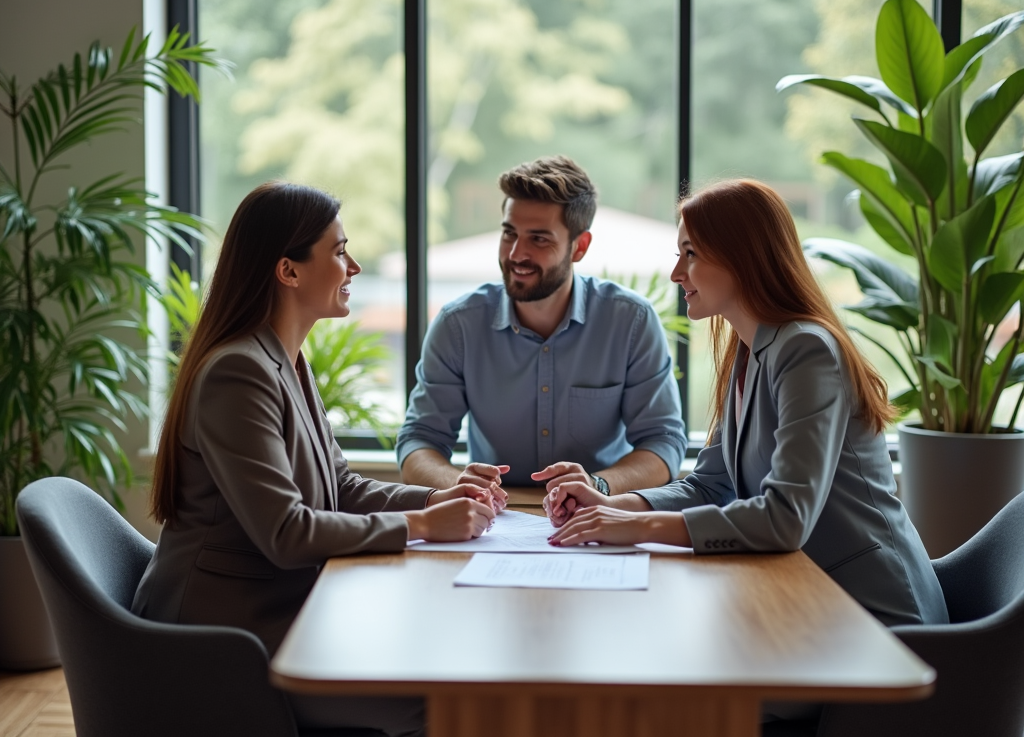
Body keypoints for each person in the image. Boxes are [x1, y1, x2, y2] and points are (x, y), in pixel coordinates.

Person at [133, 182, 495, 737]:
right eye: (338, 251)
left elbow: (340, 485)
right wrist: (423, 524)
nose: (352, 266)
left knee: (442, 666)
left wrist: (439, 497)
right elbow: (286, 531)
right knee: (437, 704)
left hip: (279, 606)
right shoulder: (239, 372)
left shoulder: (284, 360)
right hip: (224, 637)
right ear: (289, 270)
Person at [544, 179, 947, 631]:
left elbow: (785, 517)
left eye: (690, 253)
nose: (677, 273)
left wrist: (637, 529)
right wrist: (613, 504)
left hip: (879, 617)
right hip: (808, 596)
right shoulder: (749, 350)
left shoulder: (806, 351)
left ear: (742, 257)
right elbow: (710, 485)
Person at [396, 155, 687, 502]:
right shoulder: (458, 325)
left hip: (600, 514)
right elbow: (419, 439)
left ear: (579, 247)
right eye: (509, 234)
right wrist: (458, 483)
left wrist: (598, 485)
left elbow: (663, 440)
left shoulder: (631, 321)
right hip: (494, 521)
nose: (517, 253)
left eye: (539, 239)